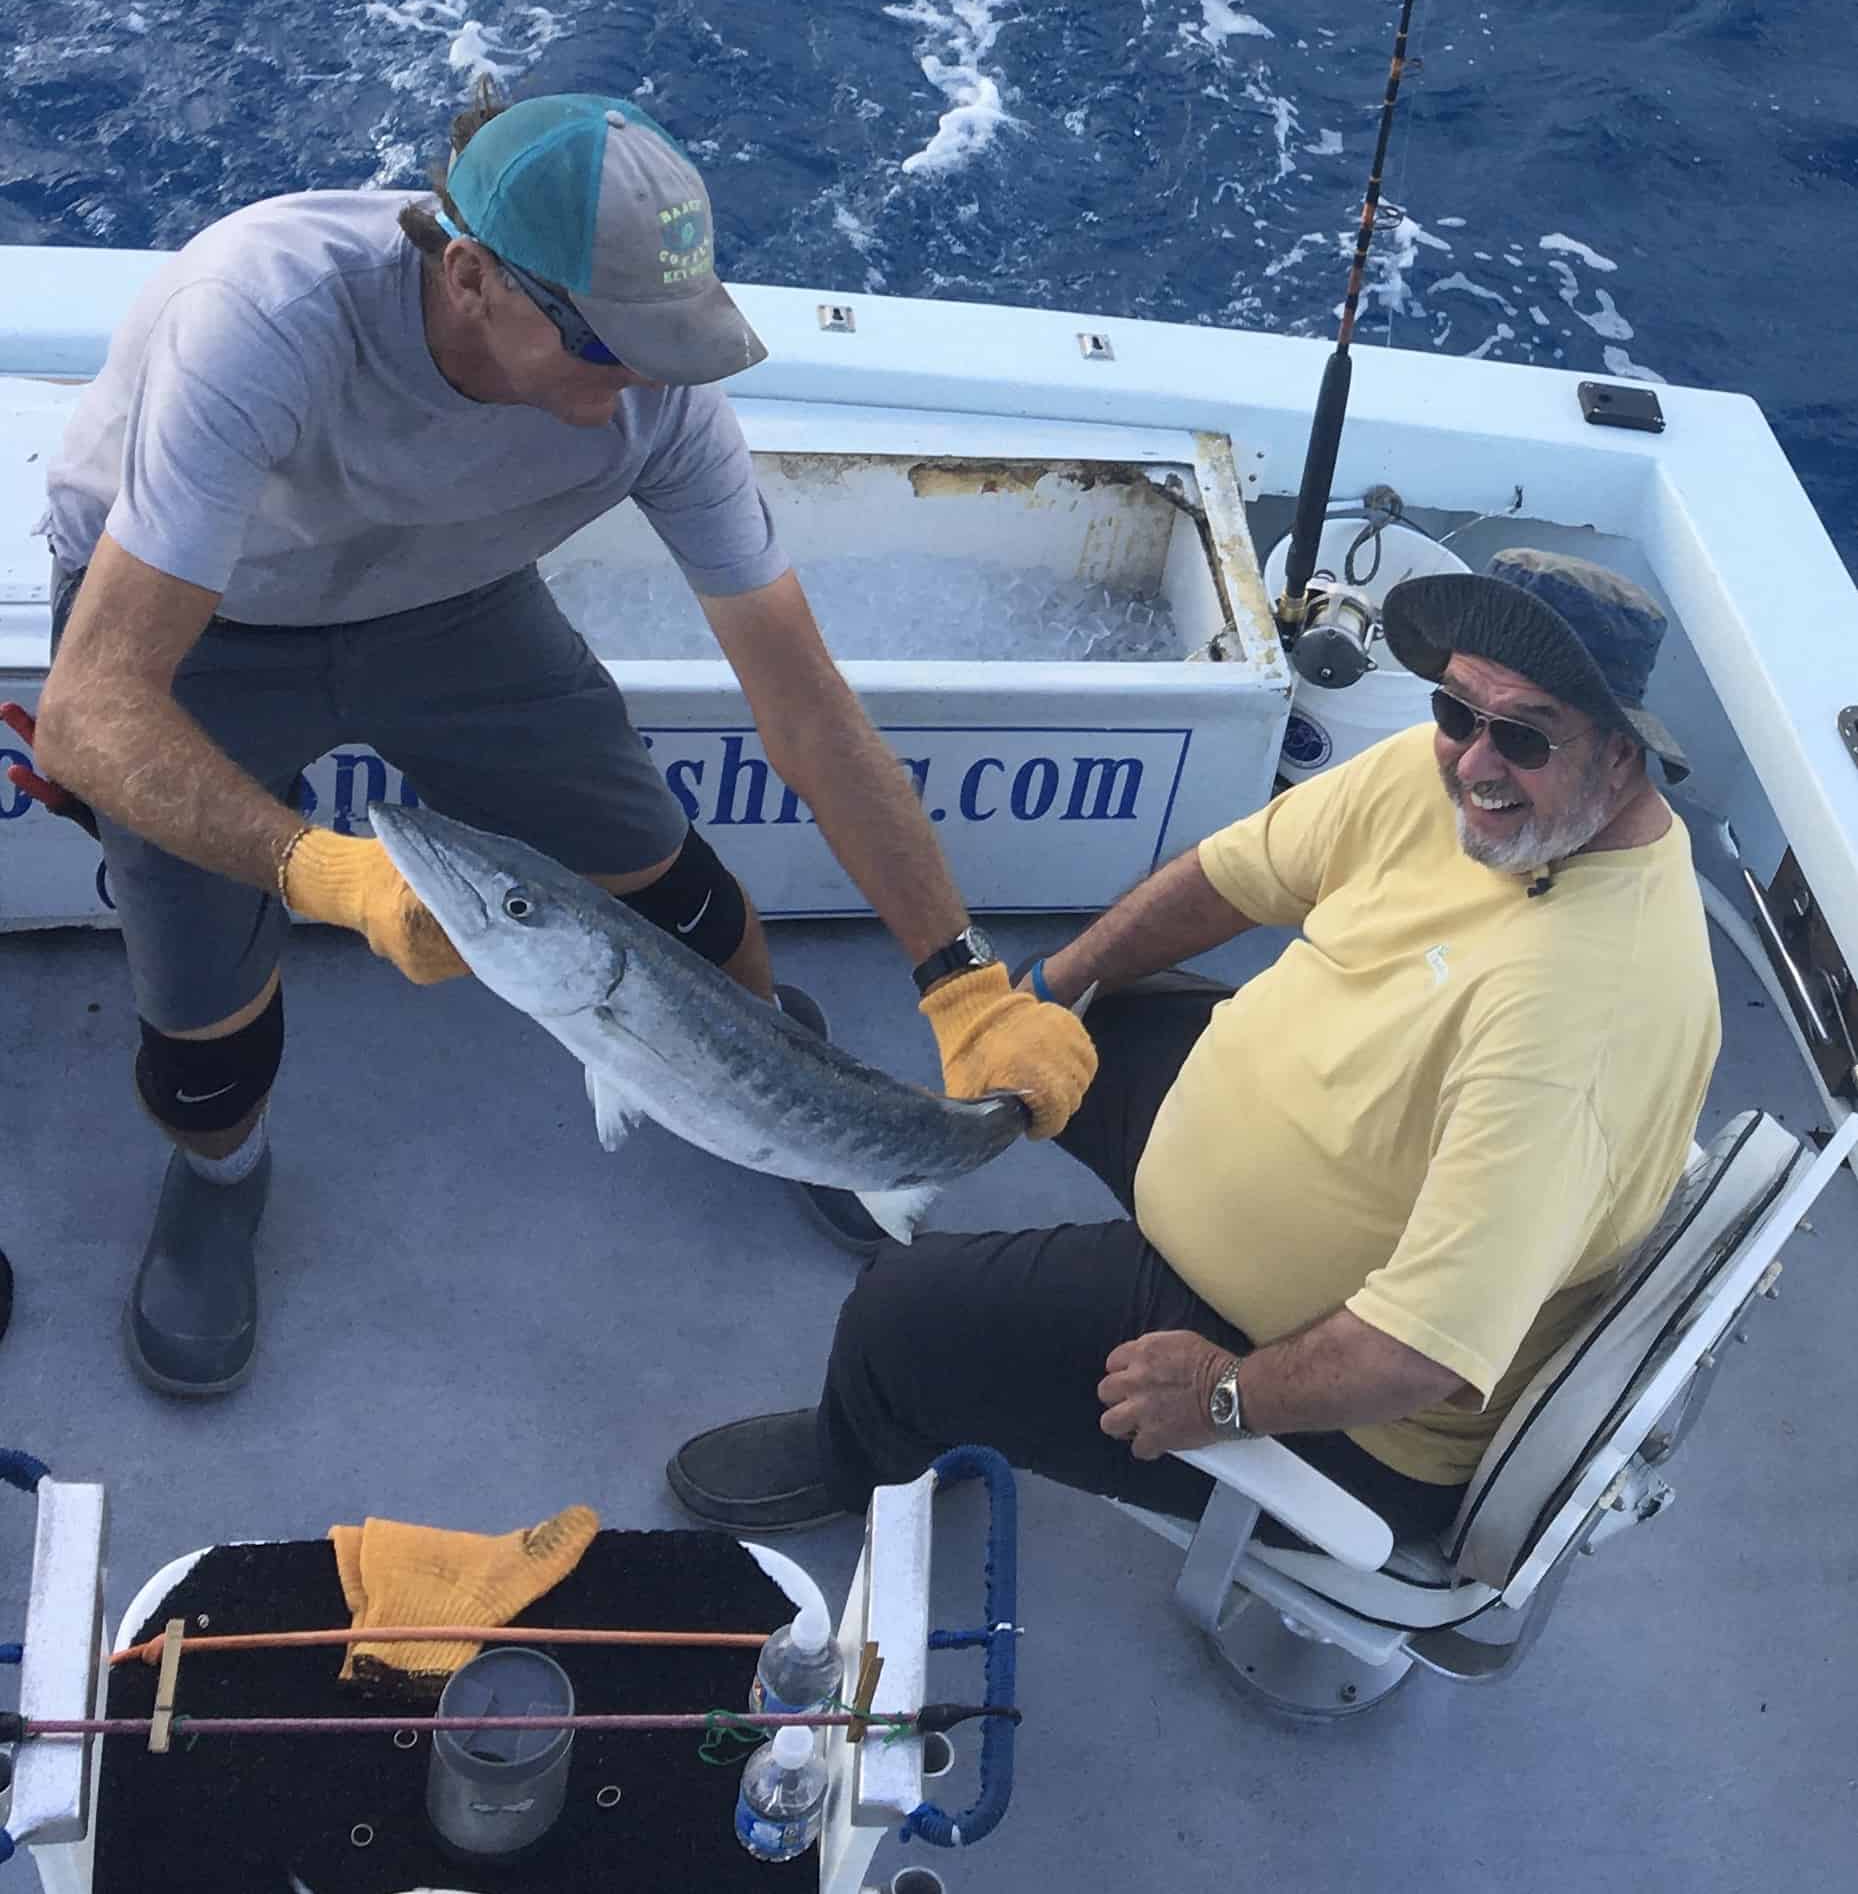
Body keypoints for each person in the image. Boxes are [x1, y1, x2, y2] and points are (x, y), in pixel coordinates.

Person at [18, 84, 1094, 1398]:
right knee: (204, 1043)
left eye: (674, 339)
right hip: (205, 629)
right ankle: (219, 1175)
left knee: (687, 909)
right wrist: (326, 873)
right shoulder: (266, 318)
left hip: (453, 610)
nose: (643, 376)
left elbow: (805, 704)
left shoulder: (658, 401)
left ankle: (774, 1083)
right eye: (609, 341)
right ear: (470, 277)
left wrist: (959, 978)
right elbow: (89, 709)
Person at [666, 549, 1723, 1542]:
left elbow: (1419, 1355)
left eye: (1525, 737)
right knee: (1091, 1012)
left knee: (899, 1319)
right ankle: (922, 1170)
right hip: (1307, 1144)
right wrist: (1052, 984)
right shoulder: (1448, 772)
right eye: (1455, 709)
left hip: (1334, 1401)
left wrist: (1226, 1393)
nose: (1475, 762)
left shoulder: (1581, 1015)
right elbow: (1234, 873)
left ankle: (865, 1451)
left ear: (1622, 754)